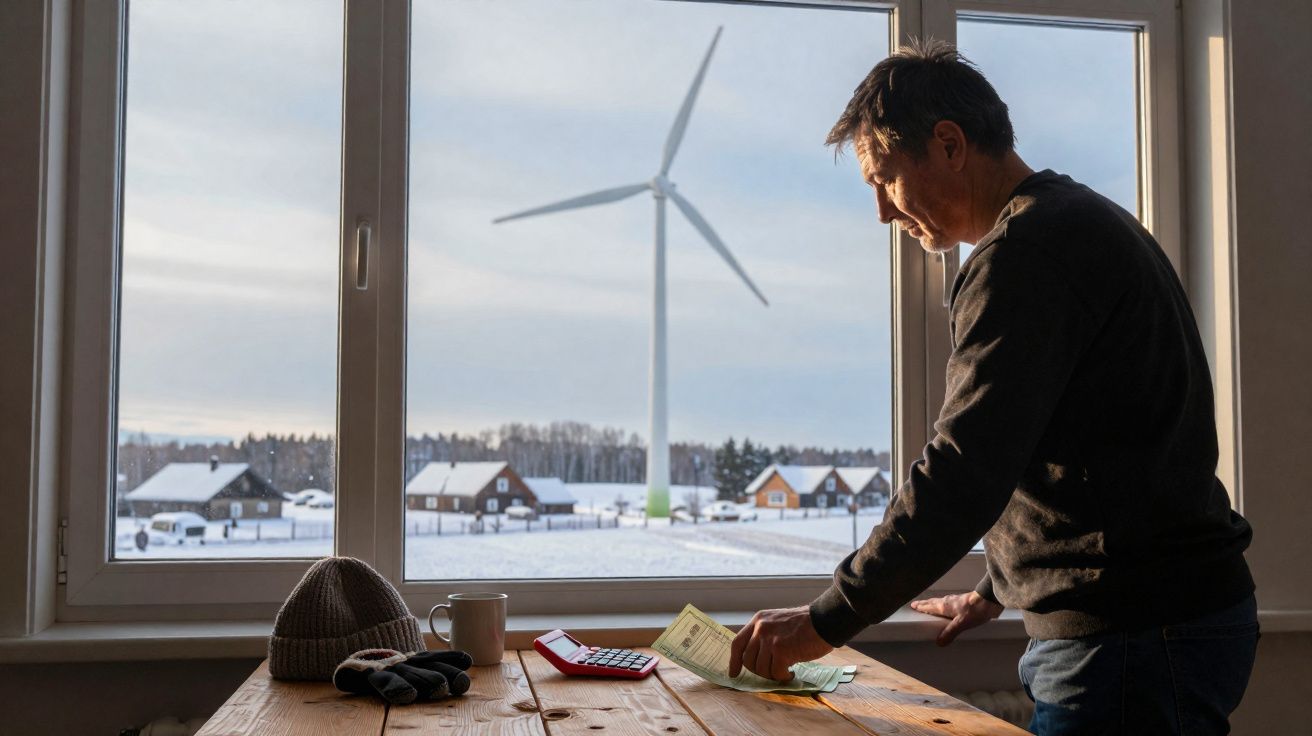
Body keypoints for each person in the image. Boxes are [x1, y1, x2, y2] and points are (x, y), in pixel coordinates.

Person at [729, 40, 1257, 735]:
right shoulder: (1075, 223)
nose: (883, 216)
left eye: (883, 180)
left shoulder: (1024, 256)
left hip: (1132, 638)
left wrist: (825, 622)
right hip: (1159, 624)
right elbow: (1086, 448)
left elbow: (962, 469)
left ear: (949, 144)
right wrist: (997, 582)